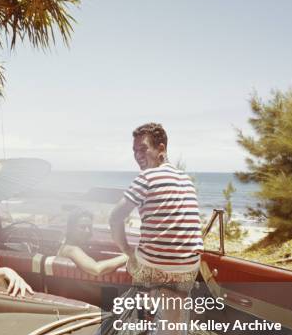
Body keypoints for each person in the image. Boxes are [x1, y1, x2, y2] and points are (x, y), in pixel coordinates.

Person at [109, 122, 203, 293]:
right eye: (134, 151)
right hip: (189, 267)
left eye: (143, 149)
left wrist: (128, 251)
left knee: (135, 262)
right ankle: (168, 315)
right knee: (173, 303)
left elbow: (115, 217)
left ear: (161, 148)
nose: (137, 155)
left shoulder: (147, 177)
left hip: (155, 268)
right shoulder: (186, 179)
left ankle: (145, 310)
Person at [58, 208, 128, 276]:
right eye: (82, 227)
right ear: (71, 228)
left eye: (89, 227)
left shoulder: (70, 246)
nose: (87, 231)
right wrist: (129, 255)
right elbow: (97, 269)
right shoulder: (71, 249)